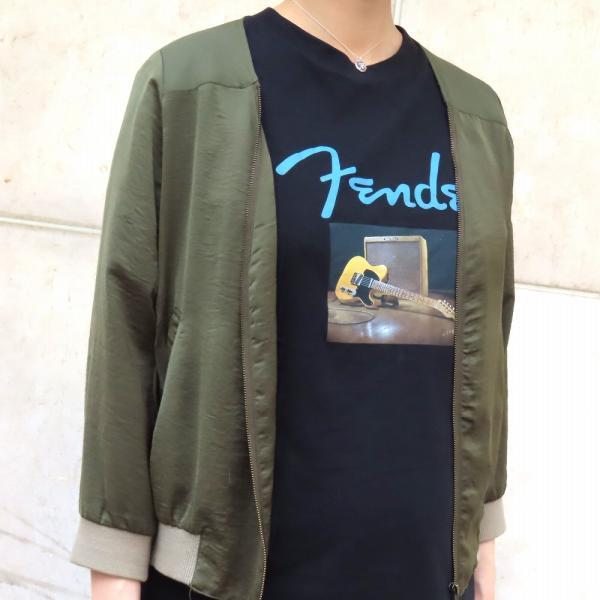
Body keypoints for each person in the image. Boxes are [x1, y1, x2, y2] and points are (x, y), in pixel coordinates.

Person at [69, 1, 515, 599]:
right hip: (230, 577)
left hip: (426, 569)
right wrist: (114, 565)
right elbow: (125, 330)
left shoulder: (475, 113)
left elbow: (488, 338)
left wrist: (483, 536)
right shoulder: (189, 86)